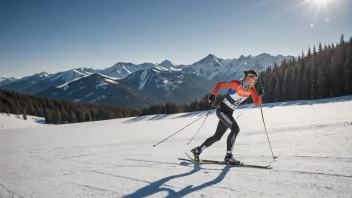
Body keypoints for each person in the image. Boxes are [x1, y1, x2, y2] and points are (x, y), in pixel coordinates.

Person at [191, 69, 264, 165]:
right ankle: (228, 156)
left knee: (217, 137)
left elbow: (257, 103)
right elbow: (220, 84)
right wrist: (213, 95)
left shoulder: (251, 89)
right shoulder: (237, 84)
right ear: (248, 77)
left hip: (229, 113)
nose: (256, 81)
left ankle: (198, 150)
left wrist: (260, 95)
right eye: (255, 78)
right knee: (235, 129)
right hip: (221, 110)